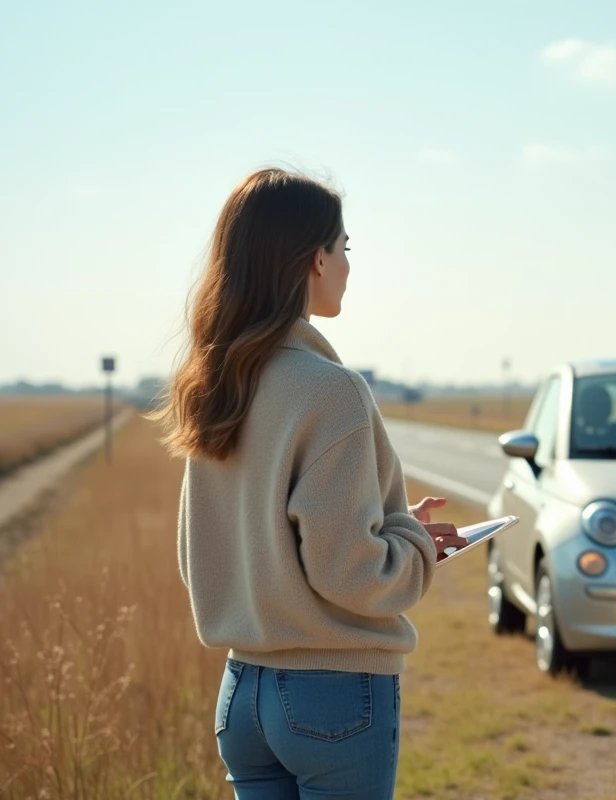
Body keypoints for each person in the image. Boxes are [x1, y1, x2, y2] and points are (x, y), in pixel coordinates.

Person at [151, 167, 468, 799]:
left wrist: (395, 523)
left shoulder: (216, 382)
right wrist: (416, 545)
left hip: (243, 694)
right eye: (345, 248)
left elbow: (208, 554)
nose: (349, 264)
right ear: (314, 260)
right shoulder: (331, 390)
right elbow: (351, 573)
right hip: (334, 698)